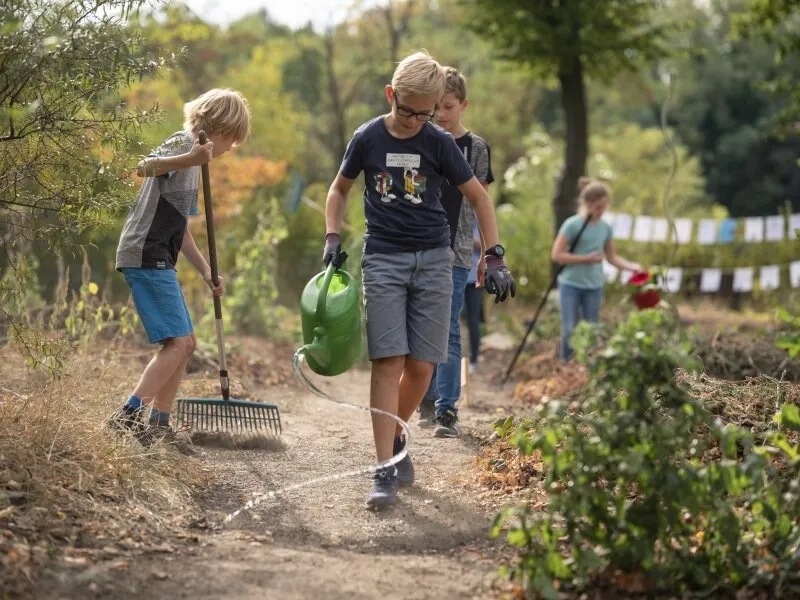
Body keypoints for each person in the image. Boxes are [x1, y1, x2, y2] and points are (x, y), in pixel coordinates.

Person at [323, 51, 515, 509]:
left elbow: (480, 199)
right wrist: (332, 236)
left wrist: (494, 256)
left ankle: (395, 436)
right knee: (389, 361)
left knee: (423, 367)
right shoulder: (368, 137)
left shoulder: (438, 141)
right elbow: (339, 189)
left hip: (434, 260)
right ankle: (383, 467)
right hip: (384, 258)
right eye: (406, 109)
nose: (413, 120)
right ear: (391, 95)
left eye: (424, 113)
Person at [108, 88, 251, 453]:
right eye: (230, 141)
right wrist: (190, 157)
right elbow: (144, 167)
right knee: (180, 343)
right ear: (217, 128)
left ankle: (159, 425)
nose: (228, 149)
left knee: (186, 344)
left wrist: (207, 272)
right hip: (145, 252)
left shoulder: (193, 164)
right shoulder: (182, 143)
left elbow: (181, 229)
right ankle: (127, 414)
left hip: (160, 255)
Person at [417, 67, 494, 439]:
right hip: (419, 245)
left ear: (463, 105)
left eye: (448, 106)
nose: (441, 114)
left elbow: (482, 204)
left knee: (447, 328)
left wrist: (489, 255)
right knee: (419, 324)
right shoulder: (421, 138)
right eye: (436, 107)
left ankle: (448, 409)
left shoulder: (476, 148)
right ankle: (426, 398)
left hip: (459, 249)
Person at [550, 177, 641, 361]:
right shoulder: (573, 224)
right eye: (598, 207)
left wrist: (632, 267)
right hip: (571, 284)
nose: (601, 211)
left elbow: (612, 257)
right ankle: (565, 367)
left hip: (594, 285)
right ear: (587, 204)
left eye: (604, 207)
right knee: (570, 329)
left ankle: (586, 368)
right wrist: (585, 259)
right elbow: (557, 255)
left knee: (592, 329)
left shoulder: (605, 228)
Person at [463, 218, 485, 373]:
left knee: (473, 320)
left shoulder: (479, 221)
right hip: (453, 276)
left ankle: (474, 359)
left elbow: (488, 247)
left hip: (474, 278)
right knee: (452, 320)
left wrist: (471, 239)